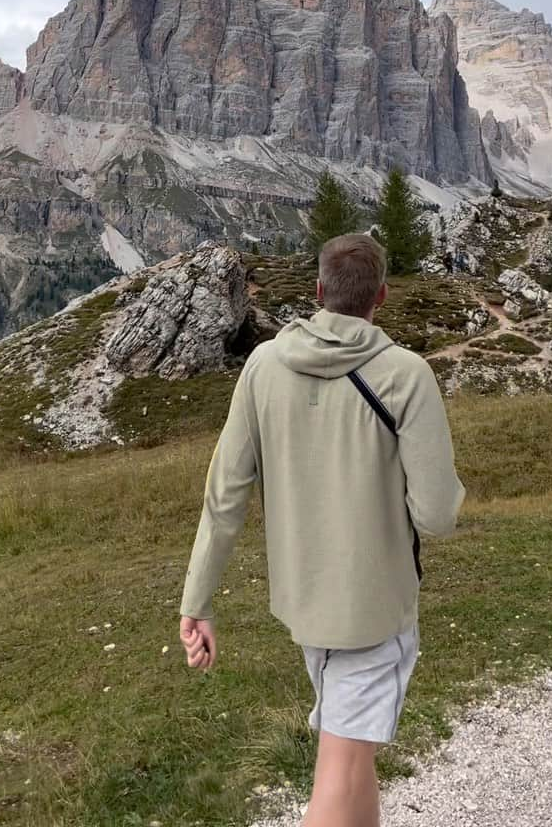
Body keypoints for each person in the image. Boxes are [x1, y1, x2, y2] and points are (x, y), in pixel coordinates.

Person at [179, 233, 465, 827]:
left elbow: (224, 496)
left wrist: (197, 601)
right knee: (336, 776)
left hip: (303, 605)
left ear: (318, 293)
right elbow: (437, 516)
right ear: (380, 296)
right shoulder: (407, 375)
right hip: (374, 609)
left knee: (354, 764)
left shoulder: (262, 365)